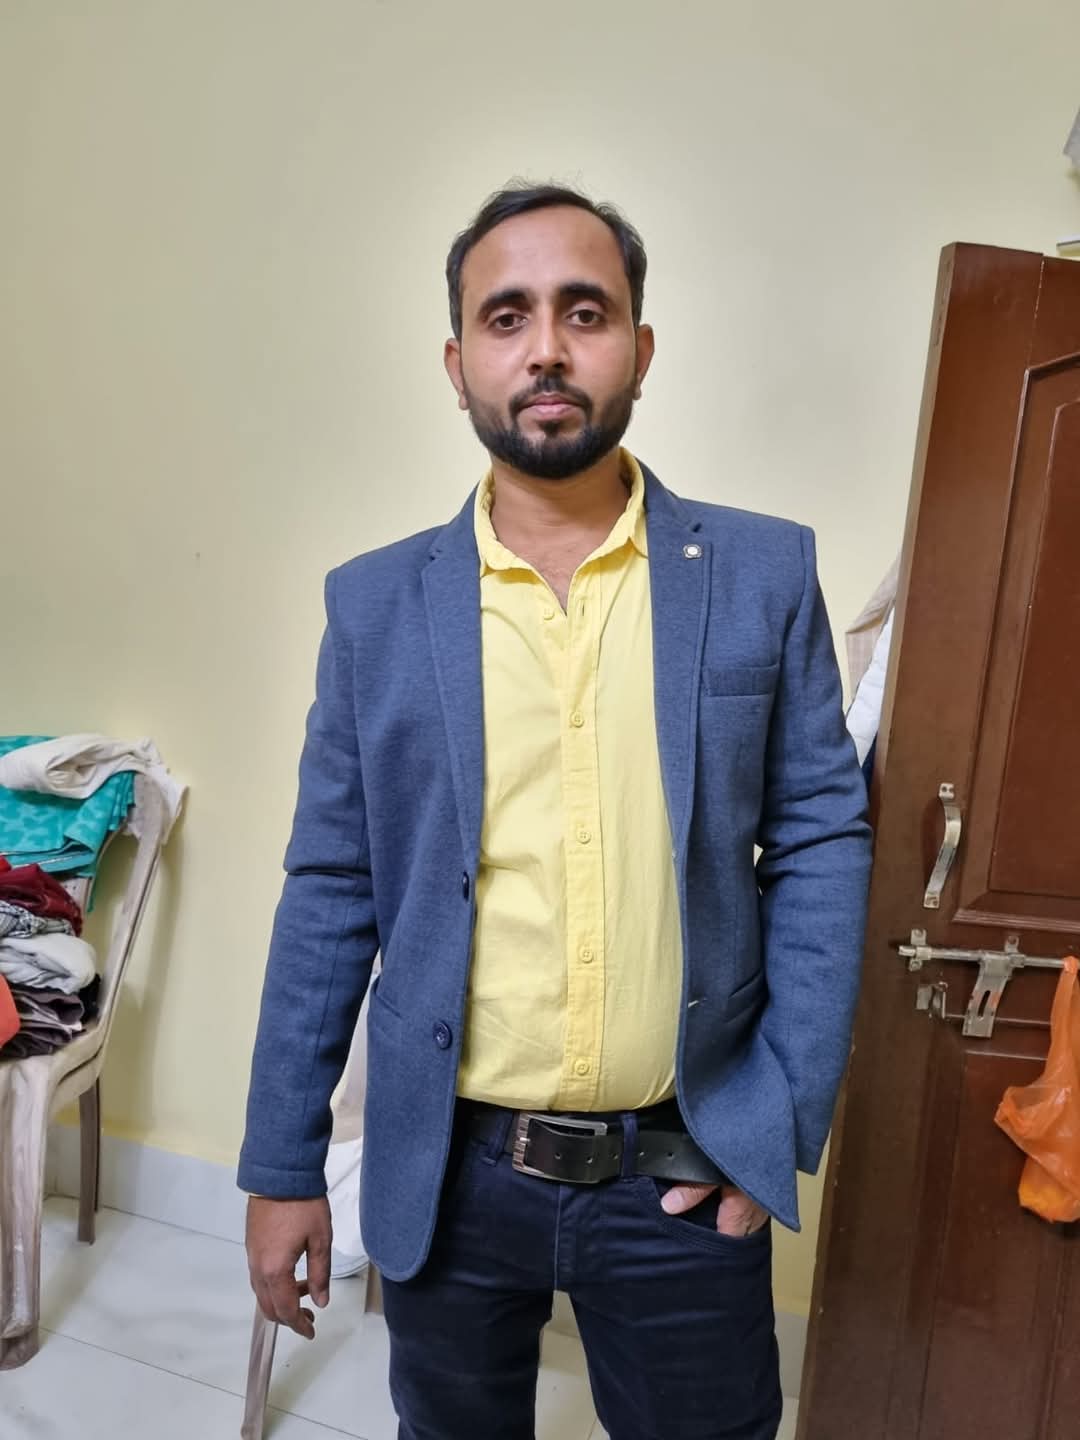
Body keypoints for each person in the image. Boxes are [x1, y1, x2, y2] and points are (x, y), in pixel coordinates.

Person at [239, 182, 873, 1440]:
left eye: (585, 313)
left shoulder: (762, 572)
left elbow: (820, 834)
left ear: (640, 346)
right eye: (506, 316)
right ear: (457, 363)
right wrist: (279, 1164)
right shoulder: (374, 608)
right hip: (449, 1167)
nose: (546, 348)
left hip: (686, 1163)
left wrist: (779, 1115)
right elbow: (332, 887)